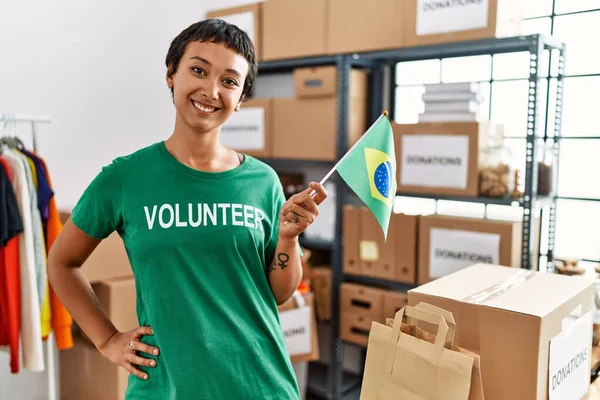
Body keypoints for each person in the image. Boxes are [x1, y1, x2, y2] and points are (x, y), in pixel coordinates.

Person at [47, 18, 327, 400]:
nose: (211, 90)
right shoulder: (125, 178)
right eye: (198, 70)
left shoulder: (262, 181)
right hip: (166, 388)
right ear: (171, 75)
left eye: (230, 81)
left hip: (260, 385)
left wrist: (288, 238)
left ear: (241, 97)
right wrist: (108, 340)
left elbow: (277, 293)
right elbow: (61, 263)